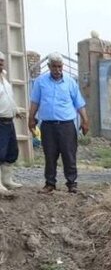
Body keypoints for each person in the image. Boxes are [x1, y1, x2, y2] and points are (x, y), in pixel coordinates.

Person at [28, 52, 89, 194]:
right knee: (50, 155)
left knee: (69, 155)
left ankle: (72, 184)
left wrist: (85, 121)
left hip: (66, 125)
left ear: (63, 66)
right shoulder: (40, 82)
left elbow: (79, 103)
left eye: (60, 66)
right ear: (49, 66)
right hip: (48, 126)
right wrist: (31, 118)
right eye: (54, 67)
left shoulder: (70, 82)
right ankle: (50, 184)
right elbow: (35, 102)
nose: (57, 70)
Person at [0, 51, 23, 194]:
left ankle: (7, 180)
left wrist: (15, 110)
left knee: (11, 151)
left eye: (2, 61)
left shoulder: (4, 78)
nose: (1, 63)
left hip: (9, 121)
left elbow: (9, 97)